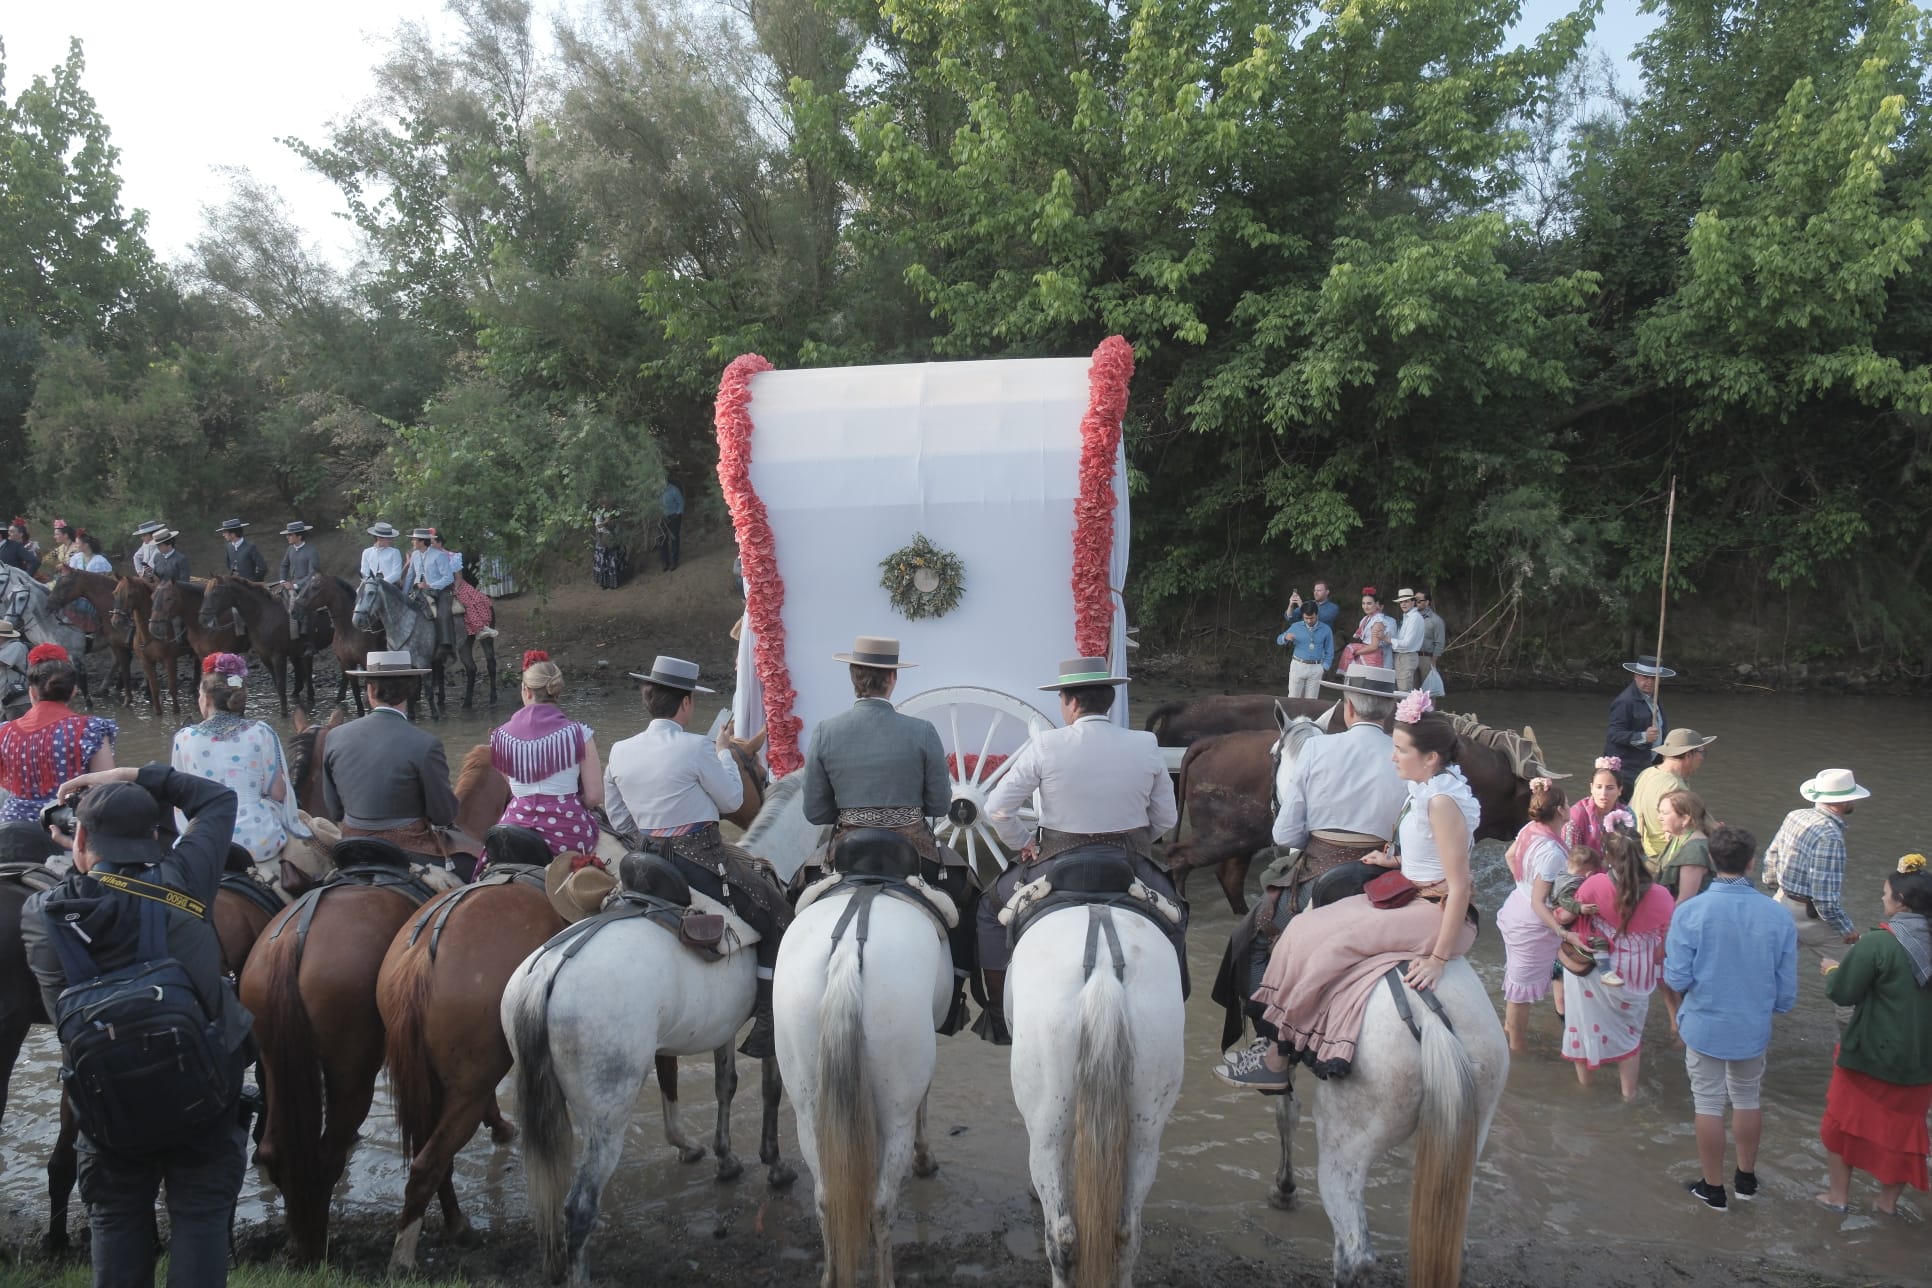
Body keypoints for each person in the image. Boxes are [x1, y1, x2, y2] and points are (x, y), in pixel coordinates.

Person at [20, 762, 251, 1288]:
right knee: (199, 1217)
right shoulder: (187, 878)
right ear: (155, 836)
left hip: (107, 1108)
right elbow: (216, 799)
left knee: (117, 1219)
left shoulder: (40, 914)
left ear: (77, 837)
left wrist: (74, 855)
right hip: (204, 1096)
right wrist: (130, 774)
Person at [1223, 690, 1479, 1090]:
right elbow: (1433, 853)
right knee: (1305, 929)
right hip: (1414, 890)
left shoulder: (1441, 802)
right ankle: (1279, 1045)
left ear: (1429, 758)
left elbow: (1460, 886)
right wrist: (1394, 861)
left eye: (1399, 749)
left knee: (1328, 946)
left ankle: (1276, 1059)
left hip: (1435, 909)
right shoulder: (1427, 789)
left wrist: (1437, 959)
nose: (1391, 756)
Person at [979, 656, 1184, 1044]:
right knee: (1176, 914)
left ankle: (995, 1012)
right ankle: (1177, 997)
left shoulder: (1046, 745)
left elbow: (997, 808)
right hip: (1130, 863)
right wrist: (1137, 842)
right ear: (1107, 700)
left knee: (989, 912)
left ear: (1070, 702)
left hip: (1054, 864)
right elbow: (1165, 820)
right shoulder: (1145, 743)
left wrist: (1024, 843)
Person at [602, 655, 790, 1058]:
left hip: (643, 862)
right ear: (686, 704)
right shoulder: (699, 747)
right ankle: (769, 1019)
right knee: (778, 913)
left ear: (648, 698)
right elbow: (733, 799)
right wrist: (723, 751)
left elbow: (618, 818)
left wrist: (653, 835)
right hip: (699, 861)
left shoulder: (619, 750)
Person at [801, 634, 973, 1031]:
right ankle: (957, 996)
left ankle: (771, 997)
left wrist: (853, 812)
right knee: (970, 897)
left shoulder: (826, 731)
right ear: (892, 679)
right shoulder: (921, 731)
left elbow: (815, 812)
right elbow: (939, 806)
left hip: (846, 849)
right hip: (911, 849)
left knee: (791, 895)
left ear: (852, 677)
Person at [1662, 824, 1797, 1211]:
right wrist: (1772, 1006)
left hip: (1704, 1022)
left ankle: (1713, 1189)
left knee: (1707, 1103)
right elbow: (1786, 987)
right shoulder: (1777, 915)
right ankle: (1746, 1180)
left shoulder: (1690, 911)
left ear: (1710, 862)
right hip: (1751, 1024)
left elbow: (1677, 976)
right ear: (1752, 863)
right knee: (1747, 1097)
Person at [1816, 854, 1932, 1215]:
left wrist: (1832, 970)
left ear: (1901, 902)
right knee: (1904, 1133)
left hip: (1869, 1055)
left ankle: (1838, 1196)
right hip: (1921, 1063)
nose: (1882, 900)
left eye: (1885, 894)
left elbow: (1843, 993)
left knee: (1841, 1122)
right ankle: (1886, 1203)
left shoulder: (1878, 942)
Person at [1563, 831, 1674, 1099]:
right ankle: (1629, 1095)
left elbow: (1569, 914)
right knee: (1629, 1036)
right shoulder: (1661, 895)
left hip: (1596, 968)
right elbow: (1664, 942)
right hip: (1638, 970)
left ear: (1608, 858)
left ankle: (1586, 1091)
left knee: (1585, 1024)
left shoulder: (1594, 884)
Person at [320, 651, 458, 865]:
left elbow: (335, 809)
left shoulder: (335, 736)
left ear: (371, 690)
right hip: (409, 849)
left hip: (352, 845)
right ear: (410, 691)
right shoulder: (426, 744)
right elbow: (444, 815)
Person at [1269, 662, 1407, 867]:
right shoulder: (1409, 757)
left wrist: (1323, 846)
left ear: (1349, 708)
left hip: (1320, 869)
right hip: (1382, 870)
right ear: (1389, 711)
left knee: (1270, 884)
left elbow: (1284, 835)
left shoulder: (1313, 747)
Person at [171, 653, 300, 864]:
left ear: (208, 699)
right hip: (259, 839)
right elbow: (278, 793)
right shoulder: (261, 732)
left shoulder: (184, 738)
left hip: (207, 842)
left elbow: (181, 800)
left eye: (199, 694)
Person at [1763, 768, 1872, 1015]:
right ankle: (1849, 1041)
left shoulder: (1795, 816)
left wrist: (1775, 887)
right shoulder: (1830, 836)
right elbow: (1824, 897)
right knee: (1851, 980)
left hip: (1781, 903)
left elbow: (1771, 857)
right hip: (1810, 914)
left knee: (1764, 967)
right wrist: (1847, 930)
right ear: (1844, 801)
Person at [1497, 778, 1585, 1052]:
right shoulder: (1552, 852)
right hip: (1531, 921)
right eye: (1567, 803)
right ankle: (1517, 1048)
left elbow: (1510, 856)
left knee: (1516, 983)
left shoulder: (1530, 828)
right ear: (1559, 811)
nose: (1571, 807)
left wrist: (1522, 882)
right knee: (1520, 992)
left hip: (1516, 906)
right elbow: (1538, 902)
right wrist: (1561, 931)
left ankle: (1509, 1034)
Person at [491, 652, 603, 855]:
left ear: (526, 691)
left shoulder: (499, 737)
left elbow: (514, 789)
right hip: (568, 829)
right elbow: (594, 797)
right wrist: (570, 804)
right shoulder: (580, 734)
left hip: (515, 827)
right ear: (557, 692)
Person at [0, 645, 117, 825]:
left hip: (12, 825)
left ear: (31, 691)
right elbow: (105, 788)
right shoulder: (90, 729)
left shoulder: (5, 732)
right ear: (73, 691)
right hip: (66, 826)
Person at [1631, 727, 1714, 864]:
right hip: (1665, 859)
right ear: (1688, 755)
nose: (1702, 758)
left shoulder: (1647, 773)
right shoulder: (1675, 787)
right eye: (1701, 752)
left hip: (1641, 856)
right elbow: (1695, 826)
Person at [1603, 655, 1673, 797]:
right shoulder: (1625, 702)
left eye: (1654, 678)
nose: (1649, 682)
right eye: (1645, 677)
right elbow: (1614, 734)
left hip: (1649, 765)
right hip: (1627, 770)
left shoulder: (1654, 698)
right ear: (1635, 675)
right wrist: (1643, 736)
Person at [1656, 789, 1714, 904]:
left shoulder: (1694, 851)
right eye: (1659, 812)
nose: (1659, 817)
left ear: (1685, 819)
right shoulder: (1679, 837)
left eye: (1665, 813)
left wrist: (1667, 921)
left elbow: (1685, 899)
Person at [1565, 756, 1635, 851]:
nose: (1603, 793)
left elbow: (1631, 852)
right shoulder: (1577, 815)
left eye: (1610, 788)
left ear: (1620, 790)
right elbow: (1569, 854)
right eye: (1598, 787)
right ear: (1591, 788)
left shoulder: (1627, 814)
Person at [274, 521, 321, 654]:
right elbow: (284, 565)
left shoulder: (311, 551)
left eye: (290, 534)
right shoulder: (290, 549)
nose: (287, 537)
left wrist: (295, 585)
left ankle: (309, 641)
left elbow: (313, 573)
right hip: (290, 583)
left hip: (308, 584)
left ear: (299, 536)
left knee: (305, 606)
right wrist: (283, 580)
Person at [405, 527, 455, 650]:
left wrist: (431, 585)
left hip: (438, 591)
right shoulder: (415, 555)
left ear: (422, 541)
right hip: (417, 591)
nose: (412, 542)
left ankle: (445, 644)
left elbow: (449, 577)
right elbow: (410, 576)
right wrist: (403, 594)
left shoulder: (439, 555)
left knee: (443, 614)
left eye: (414, 540)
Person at [1276, 600, 1334, 698]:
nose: (1309, 621)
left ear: (1317, 615)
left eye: (1312, 618)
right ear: (1302, 615)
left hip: (1316, 667)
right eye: (1306, 618)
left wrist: (1324, 667)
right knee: (1293, 699)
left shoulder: (1326, 629)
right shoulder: (1296, 626)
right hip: (1298, 665)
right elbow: (1278, 640)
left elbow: (1329, 650)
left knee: (1311, 702)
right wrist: (1285, 637)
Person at [1335, 587, 1391, 673]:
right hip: (1366, 653)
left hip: (1371, 657)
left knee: (1365, 684)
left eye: (1369, 603)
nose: (1365, 606)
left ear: (1376, 604)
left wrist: (1356, 652)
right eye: (1363, 603)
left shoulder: (1377, 621)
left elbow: (1374, 646)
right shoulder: (1367, 618)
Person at [1389, 588, 1426, 692]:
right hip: (1402, 656)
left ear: (1413, 602)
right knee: (1401, 689)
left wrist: (1388, 639)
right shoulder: (1408, 617)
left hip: (1407, 656)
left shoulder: (1414, 617)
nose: (1403, 604)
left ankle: (1408, 708)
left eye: (1406, 601)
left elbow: (1407, 643)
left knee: (1404, 690)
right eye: (1401, 602)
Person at [0, 621, 30, 722]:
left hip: (19, 702)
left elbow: (2, 662)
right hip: (5, 702)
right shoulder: (3, 649)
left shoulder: (16, 646)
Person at [1416, 588, 1445, 688]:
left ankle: (1430, 704)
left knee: (1428, 689)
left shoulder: (1436, 620)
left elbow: (1440, 643)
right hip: (1412, 656)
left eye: (1419, 600)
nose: (1416, 603)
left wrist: (1433, 661)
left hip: (1426, 657)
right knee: (1413, 689)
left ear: (1427, 602)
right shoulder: (1411, 617)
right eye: (1414, 600)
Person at [658, 479, 684, 571]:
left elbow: (681, 503)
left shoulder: (673, 490)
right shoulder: (657, 491)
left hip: (673, 517)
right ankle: (665, 562)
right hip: (662, 518)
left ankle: (674, 561)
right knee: (662, 540)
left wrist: (677, 515)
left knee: (674, 538)